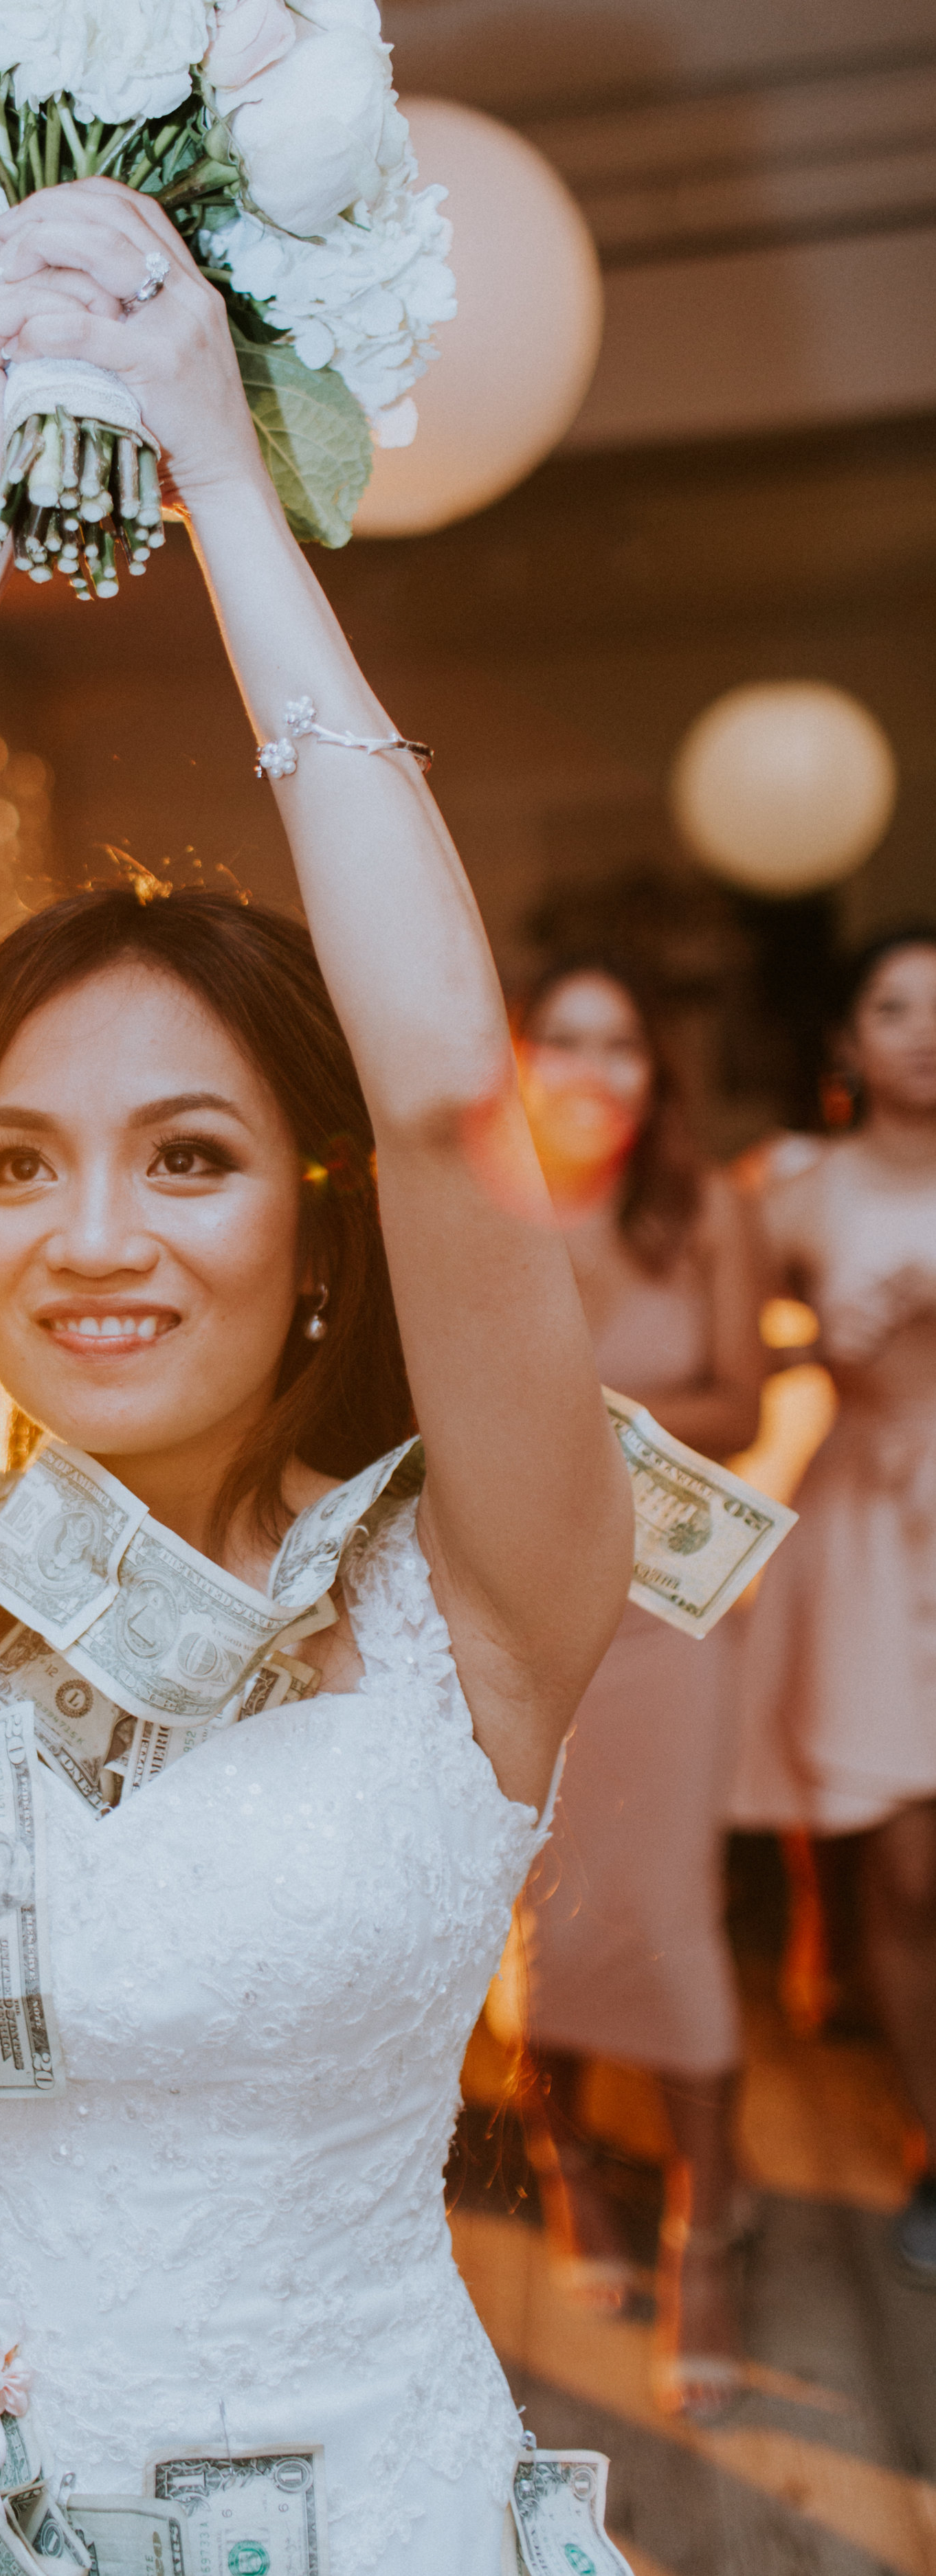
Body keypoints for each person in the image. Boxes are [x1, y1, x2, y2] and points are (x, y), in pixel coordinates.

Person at [0, 179, 631, 2575]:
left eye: (186, 1156)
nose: (89, 1235)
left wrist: (221, 470)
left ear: (315, 1227)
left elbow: (451, 1100)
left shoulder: (481, 1598)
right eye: (17, 1166)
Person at [509, 961, 764, 2422]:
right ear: (520, 1061)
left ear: (653, 1070)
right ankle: (566, 2172)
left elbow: (740, 1398)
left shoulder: (705, 1211)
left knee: (671, 1912)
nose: (593, 1067)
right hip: (521, 1609)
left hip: (667, 1622)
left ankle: (702, 2234)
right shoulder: (482, 1211)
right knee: (540, 1911)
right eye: (564, 1038)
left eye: (620, 1043)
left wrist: (590, 1417)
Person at [732, 927, 936, 2284]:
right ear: (848, 1042)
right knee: (906, 1868)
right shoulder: (796, 1188)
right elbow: (724, 1339)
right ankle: (933, 2142)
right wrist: (823, 1343)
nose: (925, 1029)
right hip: (870, 1518)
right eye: (895, 1006)